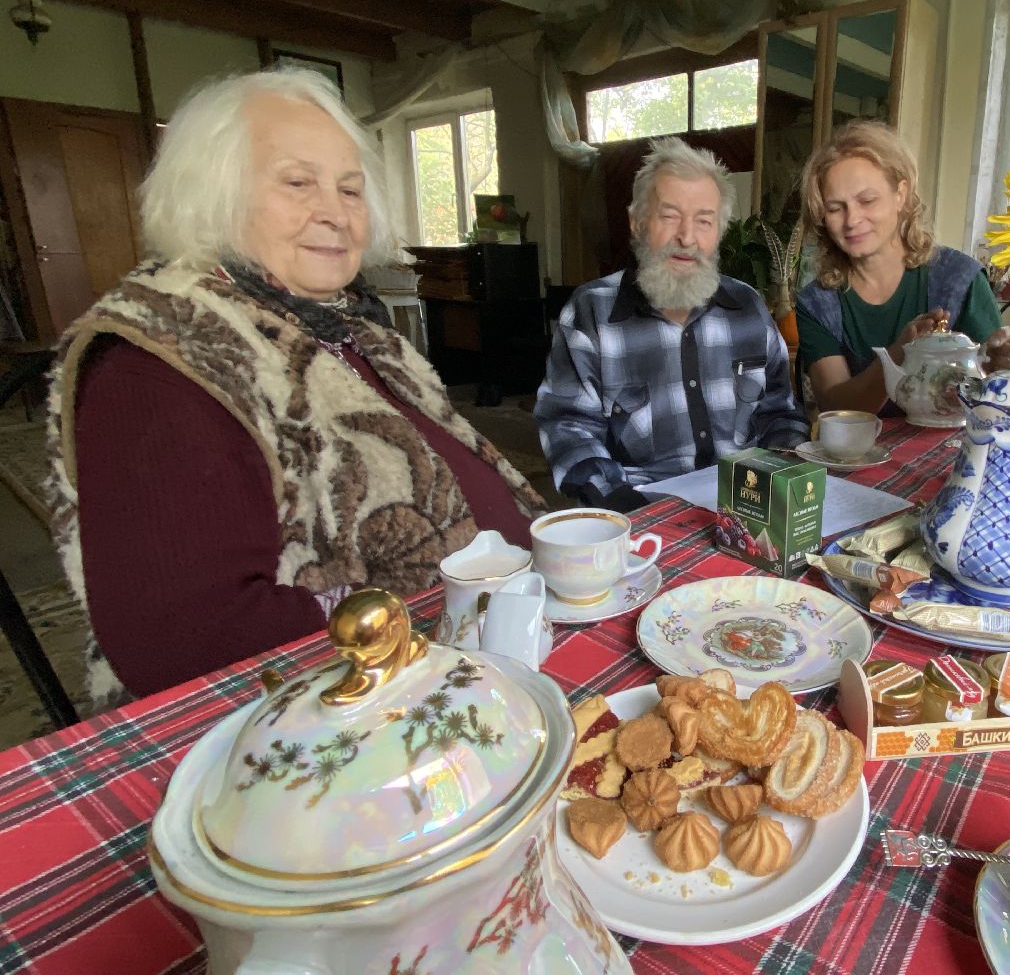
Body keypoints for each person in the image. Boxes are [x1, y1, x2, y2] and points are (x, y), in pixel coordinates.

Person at [46, 69, 547, 701]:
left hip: (495, 643)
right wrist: (425, 628)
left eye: (350, 189)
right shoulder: (158, 364)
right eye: (297, 182)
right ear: (211, 193)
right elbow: (183, 639)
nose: (336, 214)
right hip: (354, 708)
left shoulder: (356, 332)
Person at [535, 137, 807, 512]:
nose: (687, 237)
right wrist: (621, 503)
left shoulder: (748, 307)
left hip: (747, 503)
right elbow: (568, 427)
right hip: (642, 508)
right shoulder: (591, 312)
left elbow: (780, 413)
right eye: (669, 216)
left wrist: (781, 476)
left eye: (704, 221)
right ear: (637, 223)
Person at [795, 120, 1003, 414]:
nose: (852, 220)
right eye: (835, 208)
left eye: (867, 200)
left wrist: (1005, 359)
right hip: (860, 444)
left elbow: (997, 395)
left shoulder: (960, 280)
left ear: (900, 195)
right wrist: (900, 352)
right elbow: (836, 408)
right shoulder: (817, 303)